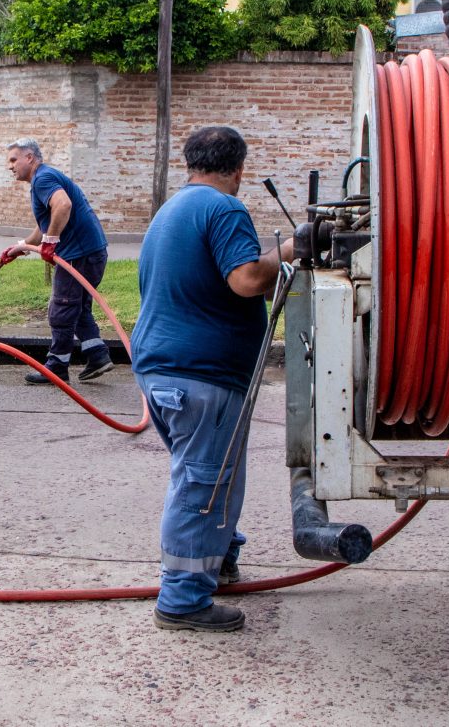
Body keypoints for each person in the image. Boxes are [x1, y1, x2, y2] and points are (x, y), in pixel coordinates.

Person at [131, 125, 294, 633]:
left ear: (190, 163)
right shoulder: (224, 208)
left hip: (162, 369)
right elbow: (245, 280)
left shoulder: (171, 209)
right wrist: (291, 248)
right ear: (238, 170)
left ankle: (220, 560)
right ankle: (181, 601)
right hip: (202, 374)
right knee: (203, 483)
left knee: (208, 476)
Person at [0, 138, 114, 385]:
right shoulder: (45, 177)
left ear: (29, 157)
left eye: (13, 160)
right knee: (77, 307)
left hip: (78, 255)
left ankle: (56, 368)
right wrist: (21, 247)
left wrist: (50, 242)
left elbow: (63, 205)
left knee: (61, 310)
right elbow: (46, 223)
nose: (10, 166)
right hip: (91, 252)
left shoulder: (43, 178)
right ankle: (97, 355)